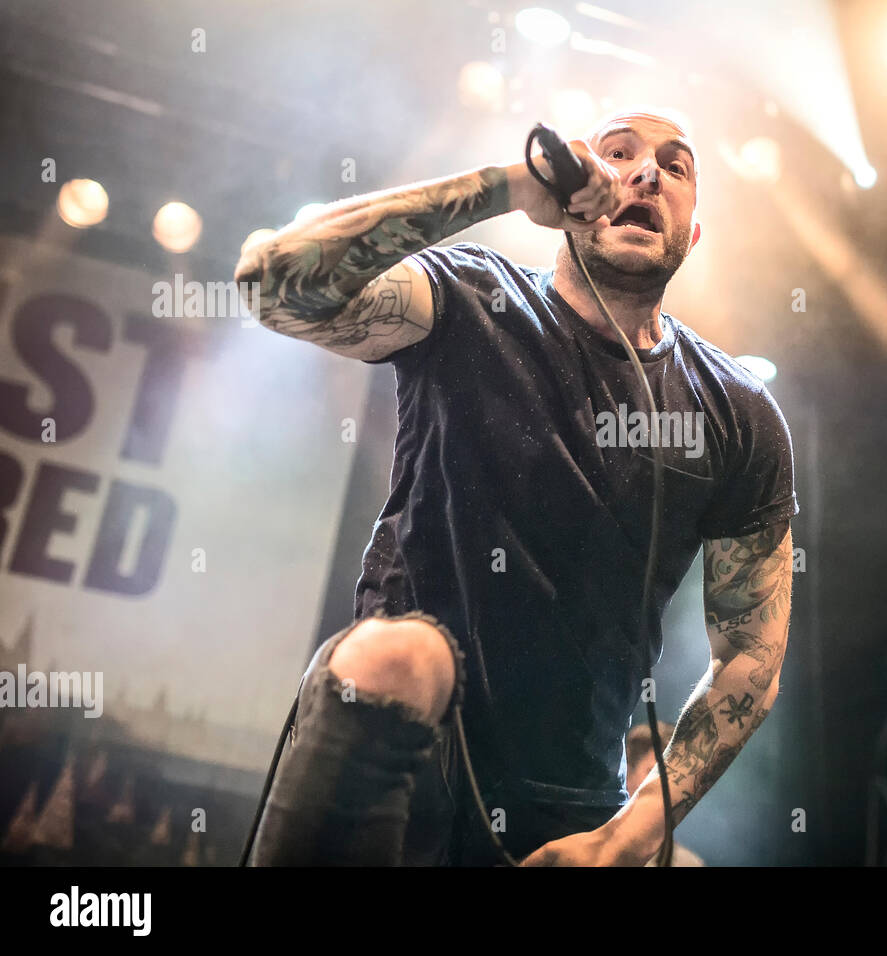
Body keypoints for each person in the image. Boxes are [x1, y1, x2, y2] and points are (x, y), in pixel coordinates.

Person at [238, 108, 798, 866]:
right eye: (619, 154)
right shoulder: (473, 297)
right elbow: (272, 282)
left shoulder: (737, 413)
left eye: (676, 165)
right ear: (574, 199)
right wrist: (506, 188)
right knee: (399, 656)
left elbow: (750, 657)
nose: (645, 173)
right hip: (402, 738)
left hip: (569, 815)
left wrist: (626, 839)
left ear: (693, 230)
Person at [625, 722, 705, 866]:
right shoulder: (586, 847)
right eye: (653, 773)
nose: (665, 787)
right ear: (627, 775)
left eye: (674, 778)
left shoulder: (688, 864)